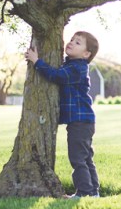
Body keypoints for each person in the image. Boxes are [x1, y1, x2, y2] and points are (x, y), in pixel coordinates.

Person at [24, 31, 100, 199]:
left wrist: (37, 61)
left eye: (78, 43)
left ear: (86, 54)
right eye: (72, 39)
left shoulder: (77, 68)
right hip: (83, 121)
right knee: (86, 158)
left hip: (80, 121)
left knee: (78, 158)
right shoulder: (70, 64)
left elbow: (56, 76)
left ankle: (85, 192)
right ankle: (93, 192)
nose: (71, 42)